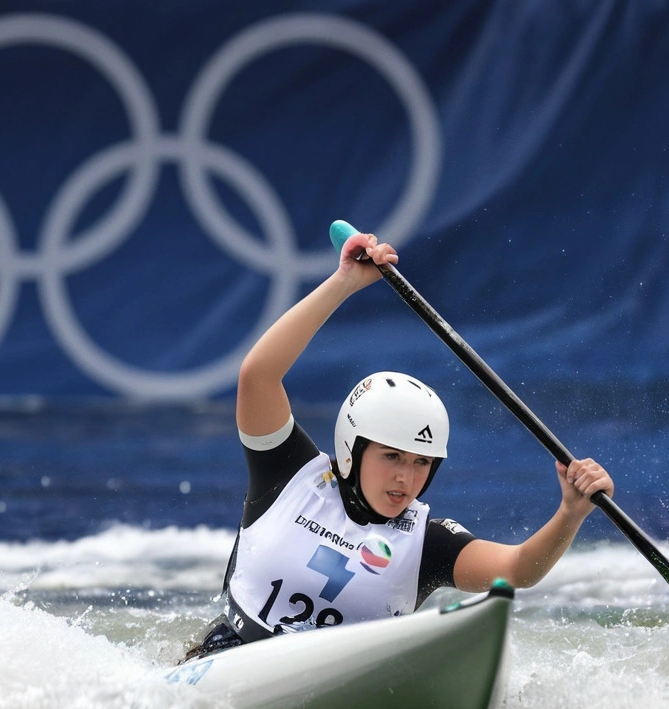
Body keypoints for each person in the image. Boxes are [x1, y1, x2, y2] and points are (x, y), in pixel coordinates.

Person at [183, 230, 614, 661]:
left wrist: (570, 514)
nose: (407, 478)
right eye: (392, 457)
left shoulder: (427, 543)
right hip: (227, 659)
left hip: (348, 682)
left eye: (422, 463)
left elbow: (518, 569)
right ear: (351, 449)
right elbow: (257, 375)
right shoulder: (287, 474)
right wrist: (345, 282)